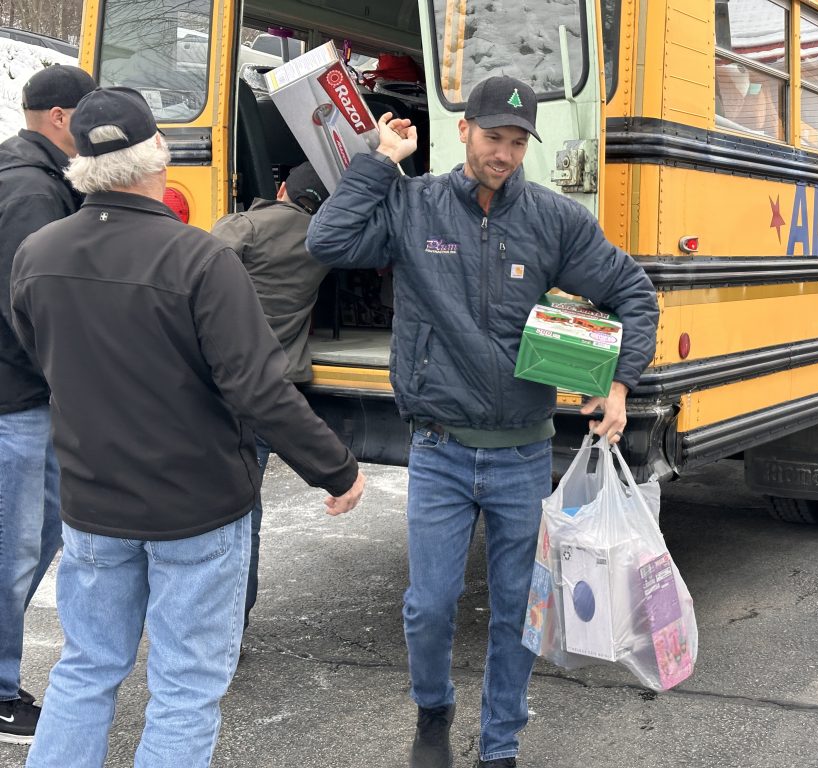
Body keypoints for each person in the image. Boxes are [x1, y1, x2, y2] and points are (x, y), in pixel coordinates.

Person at [306, 75, 659, 768]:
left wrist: (619, 383)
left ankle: (500, 744)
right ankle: (433, 710)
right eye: (494, 137)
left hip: (521, 453)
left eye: (518, 142)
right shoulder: (413, 205)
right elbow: (328, 240)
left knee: (516, 609)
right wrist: (378, 162)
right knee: (429, 605)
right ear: (464, 129)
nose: (504, 153)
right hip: (438, 447)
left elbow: (632, 292)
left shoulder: (554, 220)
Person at [9, 86, 365, 768]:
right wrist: (336, 469)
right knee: (185, 688)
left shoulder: (37, 253)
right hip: (196, 508)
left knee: (86, 669)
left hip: (92, 505)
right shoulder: (200, 260)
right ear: (159, 153)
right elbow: (257, 387)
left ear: (80, 162)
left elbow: (39, 354)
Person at [0, 63, 96, 746]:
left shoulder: (33, 175)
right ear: (61, 117)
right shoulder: (31, 190)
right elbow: (27, 305)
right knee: (13, 551)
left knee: (36, 537)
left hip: (30, 396)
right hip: (18, 398)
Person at [211, 161, 332, 630]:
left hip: (220, 390)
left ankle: (211, 629)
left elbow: (194, 273)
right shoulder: (323, 242)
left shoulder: (244, 226)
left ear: (282, 188)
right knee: (247, 512)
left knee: (206, 515)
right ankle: (233, 626)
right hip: (273, 391)